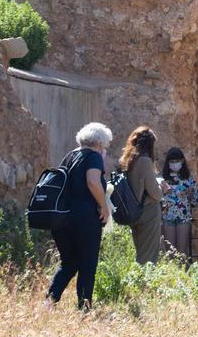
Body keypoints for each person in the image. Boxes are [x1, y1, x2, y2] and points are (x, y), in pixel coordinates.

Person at [46, 122, 112, 310]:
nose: (104, 149)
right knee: (87, 264)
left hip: (62, 220)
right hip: (85, 219)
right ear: (99, 143)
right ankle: (84, 308)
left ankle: (49, 301)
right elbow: (93, 181)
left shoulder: (69, 156)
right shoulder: (93, 157)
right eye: (105, 145)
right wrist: (103, 206)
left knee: (69, 263)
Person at [119, 126, 164, 265]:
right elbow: (155, 194)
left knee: (140, 253)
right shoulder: (144, 161)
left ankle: (139, 284)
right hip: (148, 211)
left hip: (133, 212)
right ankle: (146, 285)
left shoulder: (127, 161)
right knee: (149, 257)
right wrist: (162, 186)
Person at [160, 146, 198, 258]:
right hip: (168, 218)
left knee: (182, 253)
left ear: (182, 161)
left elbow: (197, 201)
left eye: (177, 161)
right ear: (168, 163)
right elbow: (157, 198)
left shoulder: (189, 180)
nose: (174, 164)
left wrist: (191, 194)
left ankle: (182, 274)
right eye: (172, 161)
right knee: (170, 254)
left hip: (184, 218)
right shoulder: (163, 179)